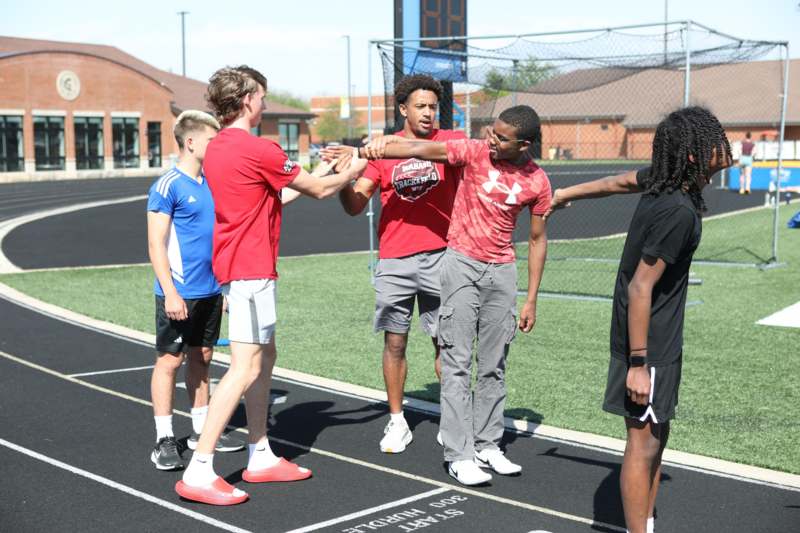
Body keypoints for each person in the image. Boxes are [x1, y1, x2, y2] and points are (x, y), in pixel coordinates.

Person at [175, 65, 366, 505]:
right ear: (247, 99)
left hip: (243, 267)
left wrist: (322, 168)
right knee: (244, 367)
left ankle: (259, 453)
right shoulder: (259, 147)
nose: (264, 102)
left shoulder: (219, 148)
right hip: (250, 270)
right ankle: (199, 469)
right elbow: (320, 191)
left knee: (265, 357)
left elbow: (275, 194)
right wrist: (355, 167)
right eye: (261, 96)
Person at [334, 105, 550, 486]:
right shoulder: (474, 152)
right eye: (492, 131)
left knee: (494, 365)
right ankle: (459, 454)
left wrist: (531, 297)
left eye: (501, 138)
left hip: (502, 271)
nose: (491, 139)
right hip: (462, 264)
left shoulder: (538, 181)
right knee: (456, 362)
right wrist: (372, 148)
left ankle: (487, 444)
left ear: (524, 145)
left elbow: (537, 239)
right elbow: (419, 149)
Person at [547, 106, 732, 533]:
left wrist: (564, 194)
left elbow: (614, 183)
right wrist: (638, 364)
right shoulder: (678, 211)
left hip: (657, 340)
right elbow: (640, 287)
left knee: (657, 435)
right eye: (715, 142)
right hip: (648, 344)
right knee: (642, 443)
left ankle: (645, 522)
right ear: (693, 155)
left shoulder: (662, 181)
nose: (725, 148)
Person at [335, 74, 465, 454]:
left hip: (443, 256)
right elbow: (355, 205)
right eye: (420, 106)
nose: (428, 113)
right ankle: (397, 421)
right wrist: (343, 178)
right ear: (403, 109)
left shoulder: (450, 141)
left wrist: (384, 147)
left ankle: (453, 419)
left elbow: (436, 152)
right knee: (395, 342)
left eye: (433, 107)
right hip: (395, 260)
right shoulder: (380, 153)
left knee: (447, 344)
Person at [146, 110, 244, 472]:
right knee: (170, 361)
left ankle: (201, 431)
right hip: (179, 291)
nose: (216, 147)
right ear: (190, 142)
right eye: (211, 141)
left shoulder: (212, 183)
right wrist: (170, 292)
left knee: (202, 356)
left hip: (211, 290)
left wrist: (224, 287)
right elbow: (156, 244)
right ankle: (164, 439)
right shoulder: (167, 185)